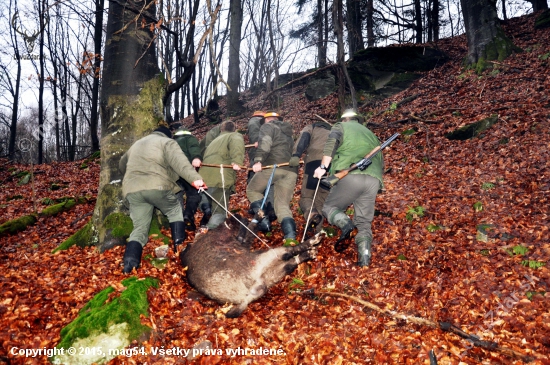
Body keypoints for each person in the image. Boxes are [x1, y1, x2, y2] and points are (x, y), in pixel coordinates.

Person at [118, 123, 205, 273]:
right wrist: (195, 178)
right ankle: (179, 249)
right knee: (174, 210)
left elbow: (121, 164)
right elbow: (180, 163)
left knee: (139, 228)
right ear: (167, 135)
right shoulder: (167, 142)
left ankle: (129, 265)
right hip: (156, 186)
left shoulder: (136, 144)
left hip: (132, 190)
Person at [313, 109, 384, 267]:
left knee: (328, 206)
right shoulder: (371, 134)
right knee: (364, 222)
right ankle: (364, 260)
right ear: (357, 120)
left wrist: (323, 167)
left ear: (344, 119)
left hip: (351, 176)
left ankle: (346, 224)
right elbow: (380, 159)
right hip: (373, 179)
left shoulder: (340, 126)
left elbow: (332, 143)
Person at [246, 111, 298, 241]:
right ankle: (290, 237)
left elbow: (266, 143)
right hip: (290, 170)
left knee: (252, 190)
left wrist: (258, 160)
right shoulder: (288, 132)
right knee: (282, 205)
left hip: (273, 167)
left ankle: (263, 220)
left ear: (267, 120)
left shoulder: (268, 126)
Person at [289, 118, 332, 237]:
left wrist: (296, 155)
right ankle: (318, 231)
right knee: (320, 199)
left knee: (307, 197)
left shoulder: (311, 127)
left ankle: (311, 214)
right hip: (330, 166)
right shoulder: (334, 132)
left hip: (313, 163)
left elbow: (303, 139)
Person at [198, 120, 245, 229]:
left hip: (205, 179)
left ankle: (207, 214)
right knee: (220, 210)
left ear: (221, 129)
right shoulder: (234, 135)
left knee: (210, 204)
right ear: (234, 129)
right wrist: (237, 162)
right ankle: (209, 234)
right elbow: (237, 145)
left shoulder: (213, 142)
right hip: (220, 178)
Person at [173, 126, 203, 231]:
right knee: (194, 194)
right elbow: (194, 147)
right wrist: (196, 158)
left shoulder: (171, 142)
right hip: (186, 172)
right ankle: (188, 215)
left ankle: (179, 223)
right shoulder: (189, 138)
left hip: (173, 174)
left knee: (178, 196)